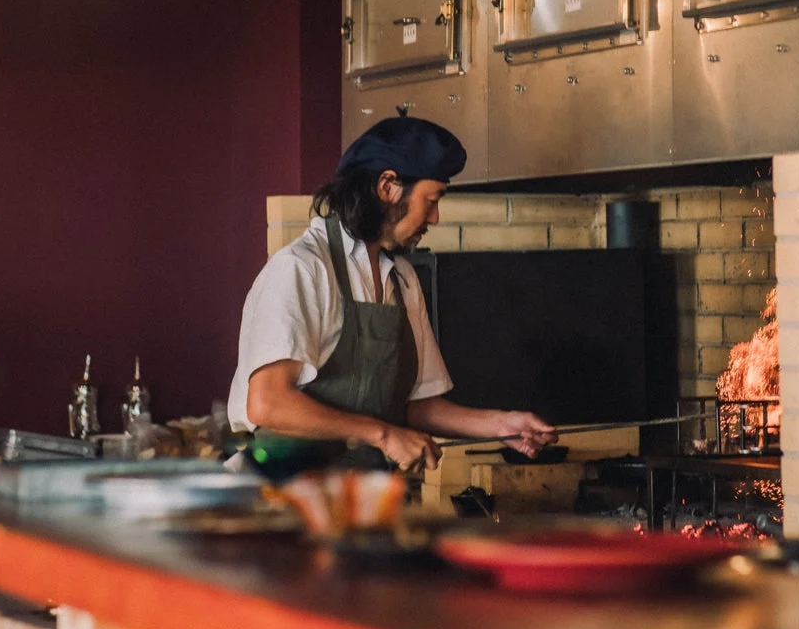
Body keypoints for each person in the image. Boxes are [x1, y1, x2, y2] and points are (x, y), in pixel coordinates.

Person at [229, 117, 556, 472]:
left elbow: (416, 405)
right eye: (431, 200)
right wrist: (384, 435)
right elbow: (268, 403)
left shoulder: (402, 279)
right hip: (276, 492)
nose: (435, 217)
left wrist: (502, 425)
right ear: (387, 187)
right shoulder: (303, 268)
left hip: (355, 492)